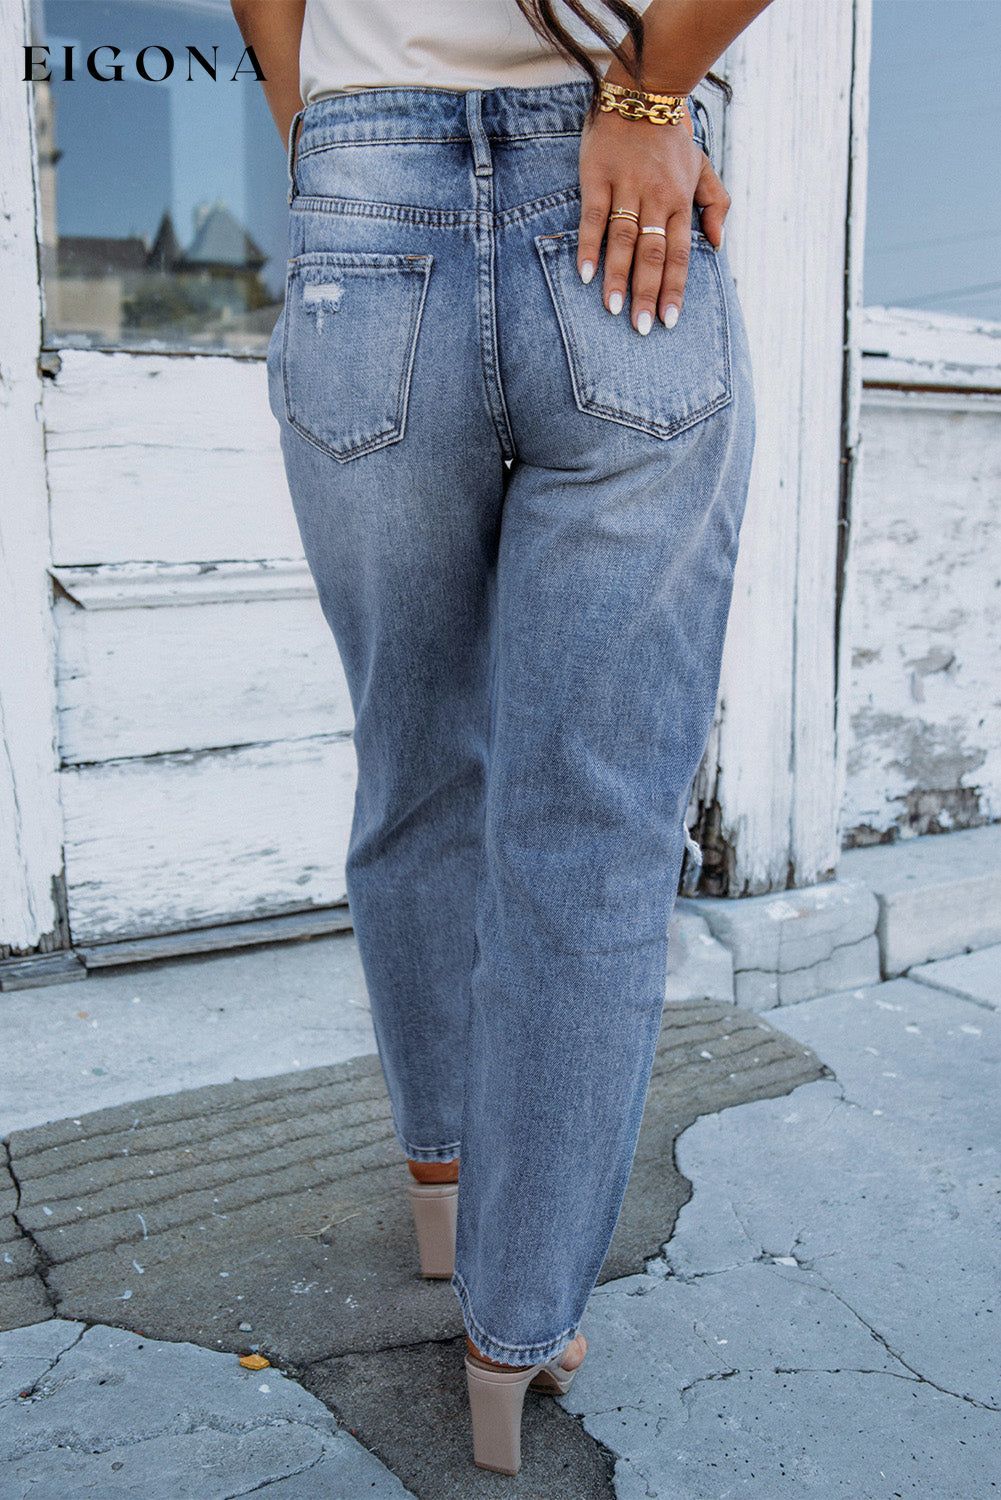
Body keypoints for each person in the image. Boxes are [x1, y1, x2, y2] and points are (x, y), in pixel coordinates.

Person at [231, 0, 771, 1474]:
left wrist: (339, 156)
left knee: (415, 759)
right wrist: (649, 95)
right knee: (587, 824)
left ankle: (443, 1180)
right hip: (610, 199)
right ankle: (512, 1328)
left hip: (363, 201)